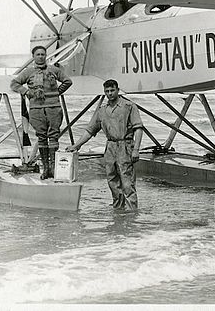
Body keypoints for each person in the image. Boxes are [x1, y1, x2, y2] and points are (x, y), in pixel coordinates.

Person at [67, 79, 144, 210]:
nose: (110, 93)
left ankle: (132, 213)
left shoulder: (129, 106)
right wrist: (76, 145)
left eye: (112, 90)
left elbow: (139, 128)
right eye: (107, 91)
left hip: (125, 145)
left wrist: (136, 149)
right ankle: (118, 211)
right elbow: (89, 130)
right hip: (110, 148)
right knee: (112, 181)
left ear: (118, 90)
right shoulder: (102, 110)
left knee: (127, 182)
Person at [10, 45, 73, 179]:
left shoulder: (54, 70)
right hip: (36, 110)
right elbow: (14, 84)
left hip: (54, 108)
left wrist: (57, 93)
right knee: (42, 138)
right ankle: (46, 170)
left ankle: (53, 168)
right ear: (33, 57)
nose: (40, 57)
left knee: (54, 137)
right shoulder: (28, 72)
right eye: (38, 54)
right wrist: (26, 92)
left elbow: (68, 81)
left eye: (43, 54)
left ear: (46, 56)